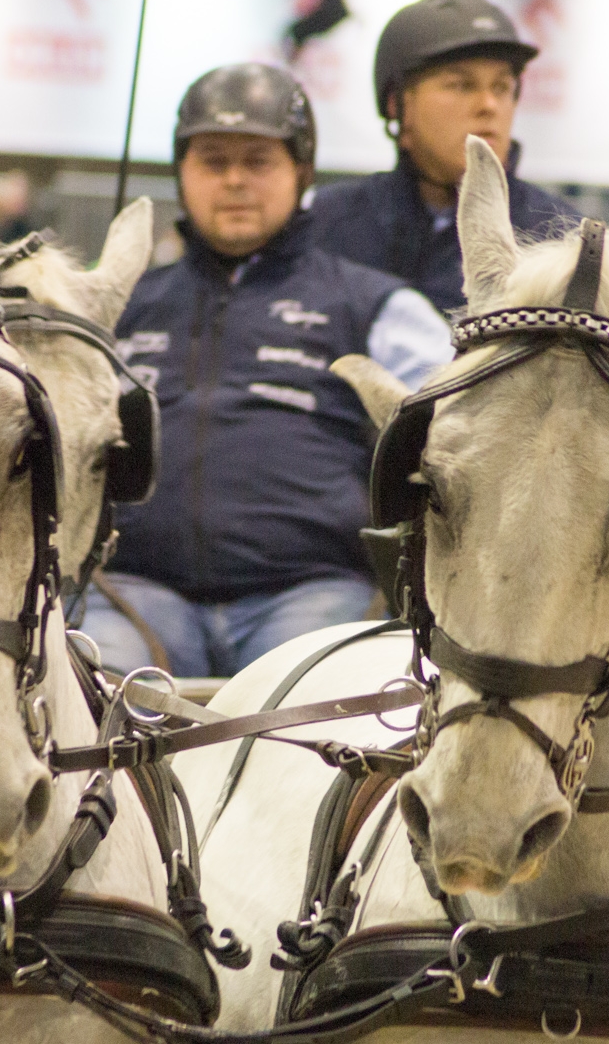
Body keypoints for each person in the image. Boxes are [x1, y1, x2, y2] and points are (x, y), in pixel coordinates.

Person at [79, 63, 453, 677]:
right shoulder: (122, 308)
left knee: (299, 721)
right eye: (212, 161)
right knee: (97, 699)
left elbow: (463, 429)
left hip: (313, 592)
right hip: (134, 593)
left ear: (300, 172)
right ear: (182, 172)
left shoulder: (376, 305)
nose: (234, 181)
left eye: (258, 161)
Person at [310, 0, 578, 313]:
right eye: (461, 85)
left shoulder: (563, 240)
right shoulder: (322, 227)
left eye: (502, 87)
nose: (489, 105)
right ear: (397, 104)